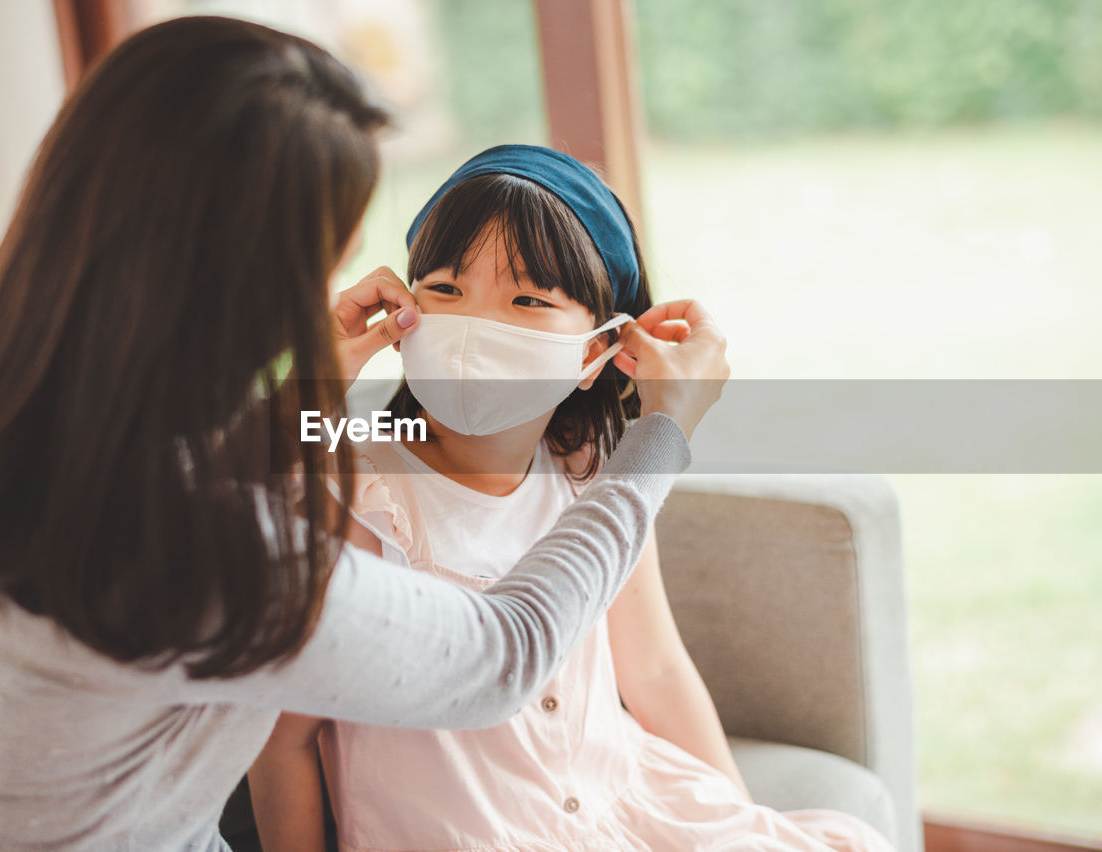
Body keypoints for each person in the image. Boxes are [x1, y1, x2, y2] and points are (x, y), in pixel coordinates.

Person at [0, 17, 728, 851]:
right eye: (318, 258)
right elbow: (505, 651)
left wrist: (307, 401)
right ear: (243, 279)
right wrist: (663, 436)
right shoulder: (208, 551)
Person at [248, 146, 894, 852]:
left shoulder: (593, 471)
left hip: (622, 808)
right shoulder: (354, 492)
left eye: (528, 300)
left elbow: (654, 668)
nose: (475, 326)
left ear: (595, 351)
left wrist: (740, 822)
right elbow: (282, 738)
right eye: (444, 288)